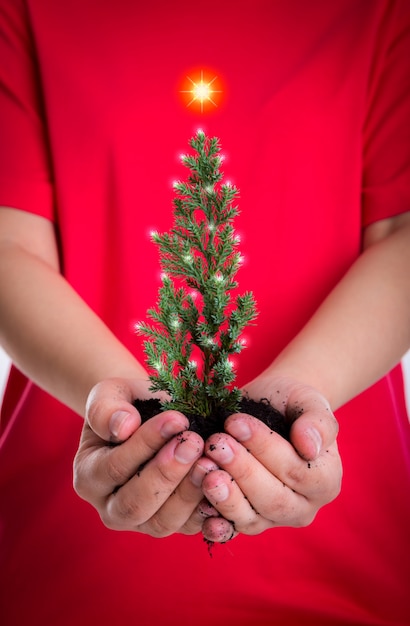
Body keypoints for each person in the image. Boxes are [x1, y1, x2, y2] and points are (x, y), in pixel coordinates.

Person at [0, 1, 409, 624]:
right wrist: (123, 410)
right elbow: (8, 244)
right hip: (66, 568)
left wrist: (301, 407)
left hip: (350, 570)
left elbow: (401, 235)